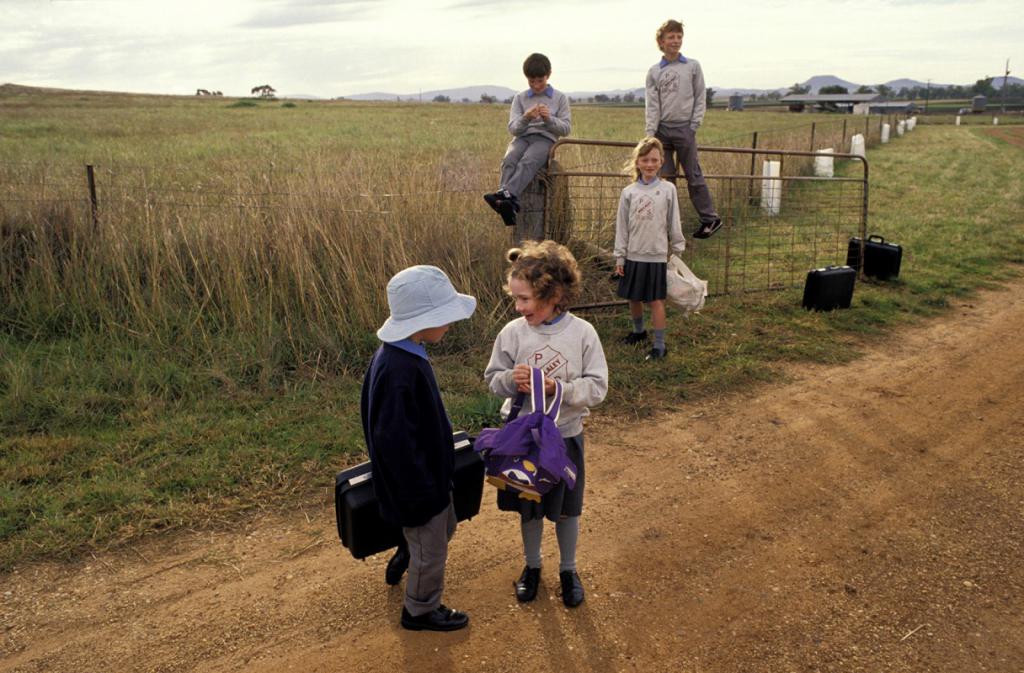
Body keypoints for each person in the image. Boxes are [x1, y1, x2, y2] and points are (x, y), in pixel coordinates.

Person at [484, 240, 608, 607]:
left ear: (554, 294)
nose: (518, 307)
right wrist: (511, 380)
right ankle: (532, 566)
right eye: (516, 299)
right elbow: (493, 378)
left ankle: (568, 569)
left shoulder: (583, 334)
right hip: (523, 441)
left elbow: (598, 387)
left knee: (568, 509)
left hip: (566, 437)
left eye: (525, 299)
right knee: (529, 506)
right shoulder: (512, 333)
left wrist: (561, 388)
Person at [361, 265, 477, 632]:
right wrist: (422, 490)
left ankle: (410, 552)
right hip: (418, 484)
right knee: (433, 543)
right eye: (445, 317)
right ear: (422, 321)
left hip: (428, 476)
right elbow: (393, 440)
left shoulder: (406, 352)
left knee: (443, 529)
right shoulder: (397, 369)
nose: (450, 324)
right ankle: (420, 609)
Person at [644, 19, 722, 239]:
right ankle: (667, 224)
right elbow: (652, 105)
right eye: (671, 37)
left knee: (693, 174)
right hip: (662, 132)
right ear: (661, 41)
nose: (676, 41)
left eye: (679, 37)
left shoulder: (692, 66)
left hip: (684, 129)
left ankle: (710, 219)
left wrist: (694, 124)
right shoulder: (654, 72)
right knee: (666, 178)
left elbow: (700, 96)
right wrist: (651, 135)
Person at [614, 137, 685, 361]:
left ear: (662, 161)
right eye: (645, 160)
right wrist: (620, 257)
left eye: (654, 160)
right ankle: (639, 332)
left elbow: (674, 220)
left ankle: (659, 345)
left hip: (656, 255)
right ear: (637, 162)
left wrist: (677, 248)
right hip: (633, 254)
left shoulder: (667, 189)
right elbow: (622, 226)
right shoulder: (629, 192)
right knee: (633, 298)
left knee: (655, 301)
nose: (650, 164)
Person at [484, 53, 572, 227]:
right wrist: (526, 117)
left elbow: (566, 129)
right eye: (531, 81)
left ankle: (505, 199)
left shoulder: (560, 98)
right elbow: (513, 128)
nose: (536, 85)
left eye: (540, 80)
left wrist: (549, 119)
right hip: (522, 137)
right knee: (509, 159)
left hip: (545, 139)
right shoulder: (520, 98)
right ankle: (509, 202)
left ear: (549, 75)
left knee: (528, 160)